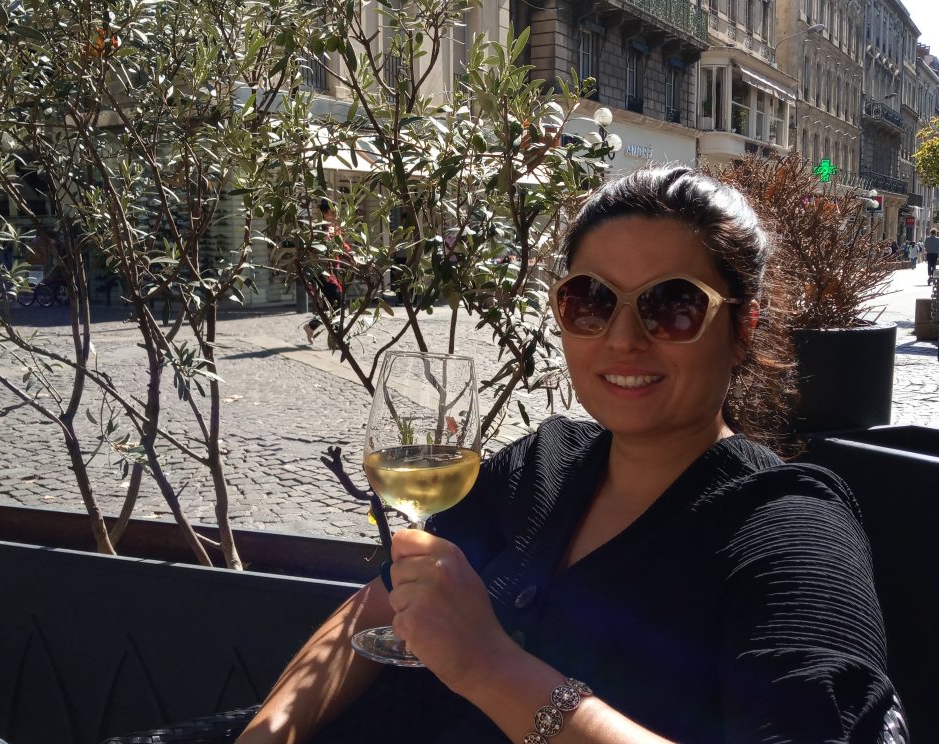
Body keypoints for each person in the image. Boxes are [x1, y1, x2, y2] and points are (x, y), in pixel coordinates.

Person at [239, 167, 899, 744]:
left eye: (673, 306)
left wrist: (490, 667)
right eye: (592, 301)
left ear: (742, 327)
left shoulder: (789, 531)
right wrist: (265, 737)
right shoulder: (541, 465)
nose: (623, 339)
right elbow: (381, 604)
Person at [302, 199, 351, 344]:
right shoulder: (318, 230)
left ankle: (311, 327)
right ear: (324, 213)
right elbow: (313, 250)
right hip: (322, 273)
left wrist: (352, 257)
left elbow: (343, 246)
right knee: (336, 302)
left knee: (333, 304)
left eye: (336, 211)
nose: (335, 214)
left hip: (333, 272)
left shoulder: (335, 228)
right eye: (332, 211)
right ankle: (337, 338)